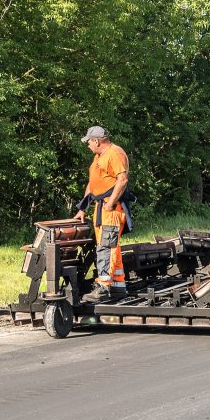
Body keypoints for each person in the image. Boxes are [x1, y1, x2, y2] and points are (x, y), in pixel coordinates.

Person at [76, 125, 129, 303]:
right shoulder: (98, 157)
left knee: (106, 246)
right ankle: (118, 285)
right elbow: (92, 183)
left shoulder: (115, 153)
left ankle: (104, 286)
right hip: (101, 207)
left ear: (97, 141)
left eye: (89, 141)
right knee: (110, 245)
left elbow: (122, 179)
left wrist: (111, 203)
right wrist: (83, 208)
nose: (88, 144)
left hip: (111, 209)